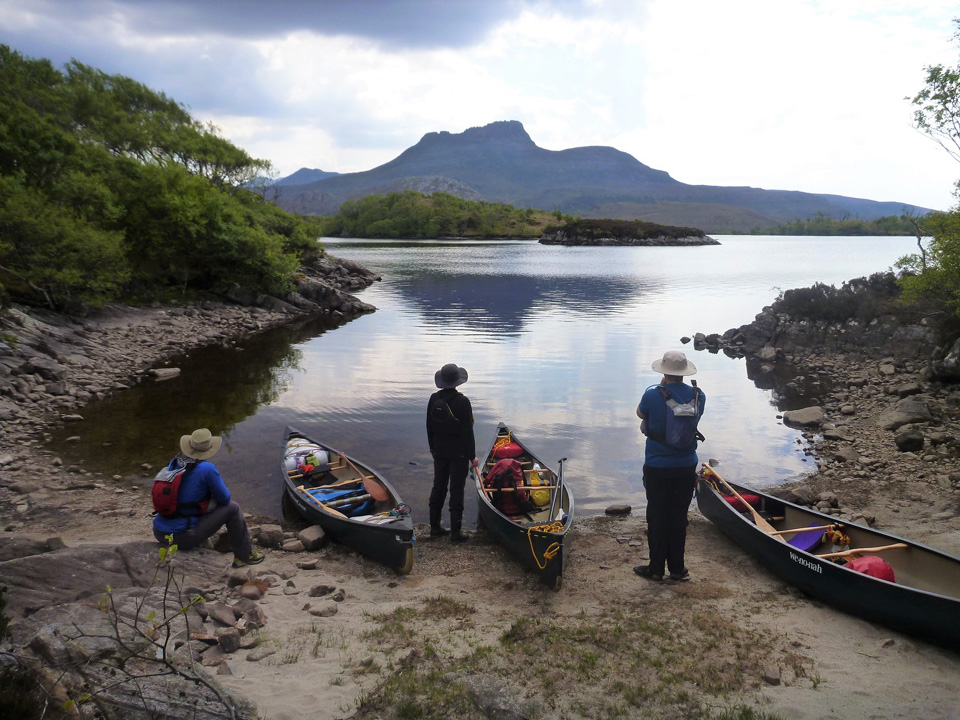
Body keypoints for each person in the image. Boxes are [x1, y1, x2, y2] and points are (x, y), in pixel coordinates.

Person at [634, 351, 706, 582]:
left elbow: (640, 413)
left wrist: (661, 386)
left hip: (657, 465)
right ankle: (677, 569)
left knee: (657, 515)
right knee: (678, 516)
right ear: (684, 373)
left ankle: (656, 569)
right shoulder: (698, 395)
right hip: (686, 465)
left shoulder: (654, 395)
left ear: (664, 372)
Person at [152, 428, 264, 568]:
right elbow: (225, 499)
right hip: (182, 537)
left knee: (193, 505)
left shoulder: (175, 462)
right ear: (208, 449)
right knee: (233, 508)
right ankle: (244, 555)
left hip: (159, 532)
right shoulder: (207, 469)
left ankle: (205, 542)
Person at [426, 363, 479, 543]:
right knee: (457, 490)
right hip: (459, 453)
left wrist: (432, 449)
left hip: (439, 450)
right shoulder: (463, 401)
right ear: (457, 382)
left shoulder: (433, 398)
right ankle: (456, 534)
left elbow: (429, 426)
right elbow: (467, 432)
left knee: (438, 486)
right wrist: (472, 456)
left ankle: (434, 528)